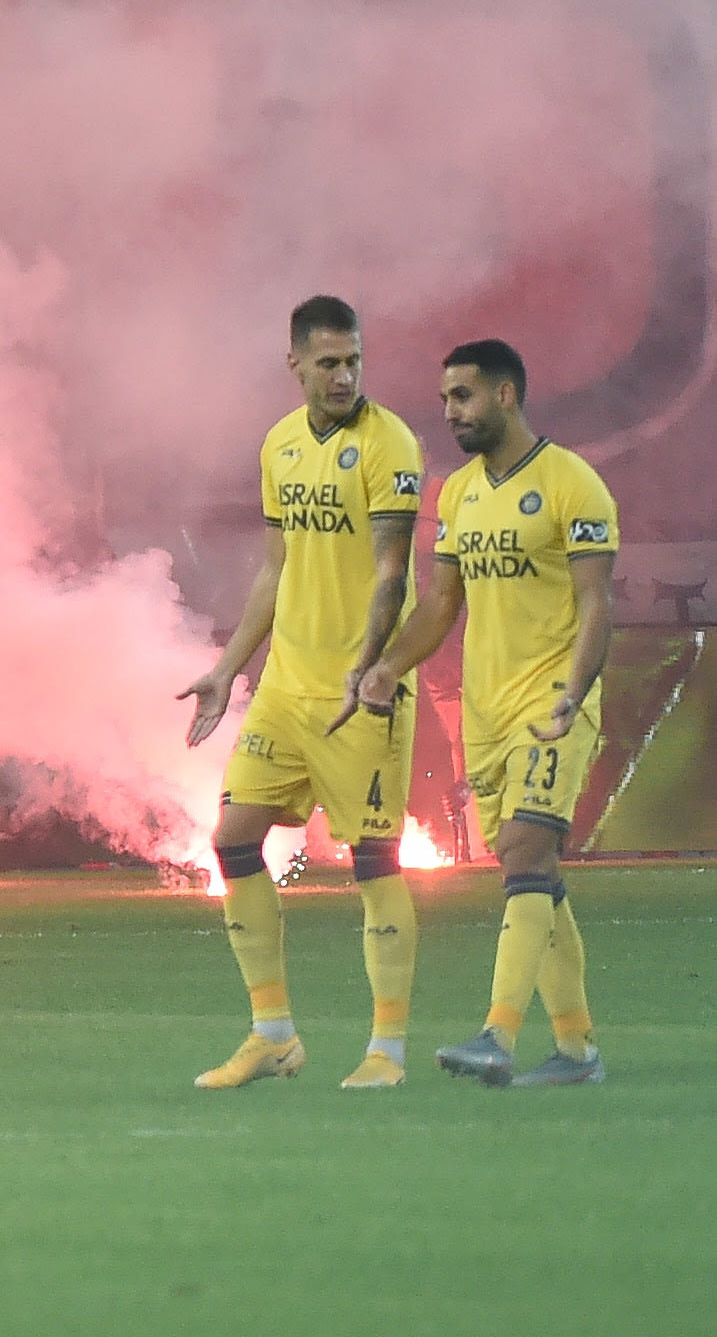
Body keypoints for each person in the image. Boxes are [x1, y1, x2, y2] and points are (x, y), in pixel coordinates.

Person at [339, 339, 619, 1086]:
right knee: (536, 875)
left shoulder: (572, 484)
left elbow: (596, 603)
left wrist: (572, 690)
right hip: (488, 716)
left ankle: (496, 1034)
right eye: (443, 401)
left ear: (503, 395)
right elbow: (438, 604)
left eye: (461, 397)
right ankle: (577, 1051)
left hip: (552, 704)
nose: (449, 413)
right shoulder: (458, 492)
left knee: (527, 850)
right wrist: (386, 666)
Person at [178, 296, 427, 1088]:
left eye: (352, 360)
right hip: (286, 689)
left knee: (373, 864)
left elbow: (391, 572)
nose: (343, 376)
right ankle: (273, 1035)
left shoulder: (389, 444)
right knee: (231, 840)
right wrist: (228, 668)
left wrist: (367, 667)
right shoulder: (280, 445)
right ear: (294, 364)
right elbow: (275, 572)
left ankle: (385, 1050)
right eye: (327, 363)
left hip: (362, 693)